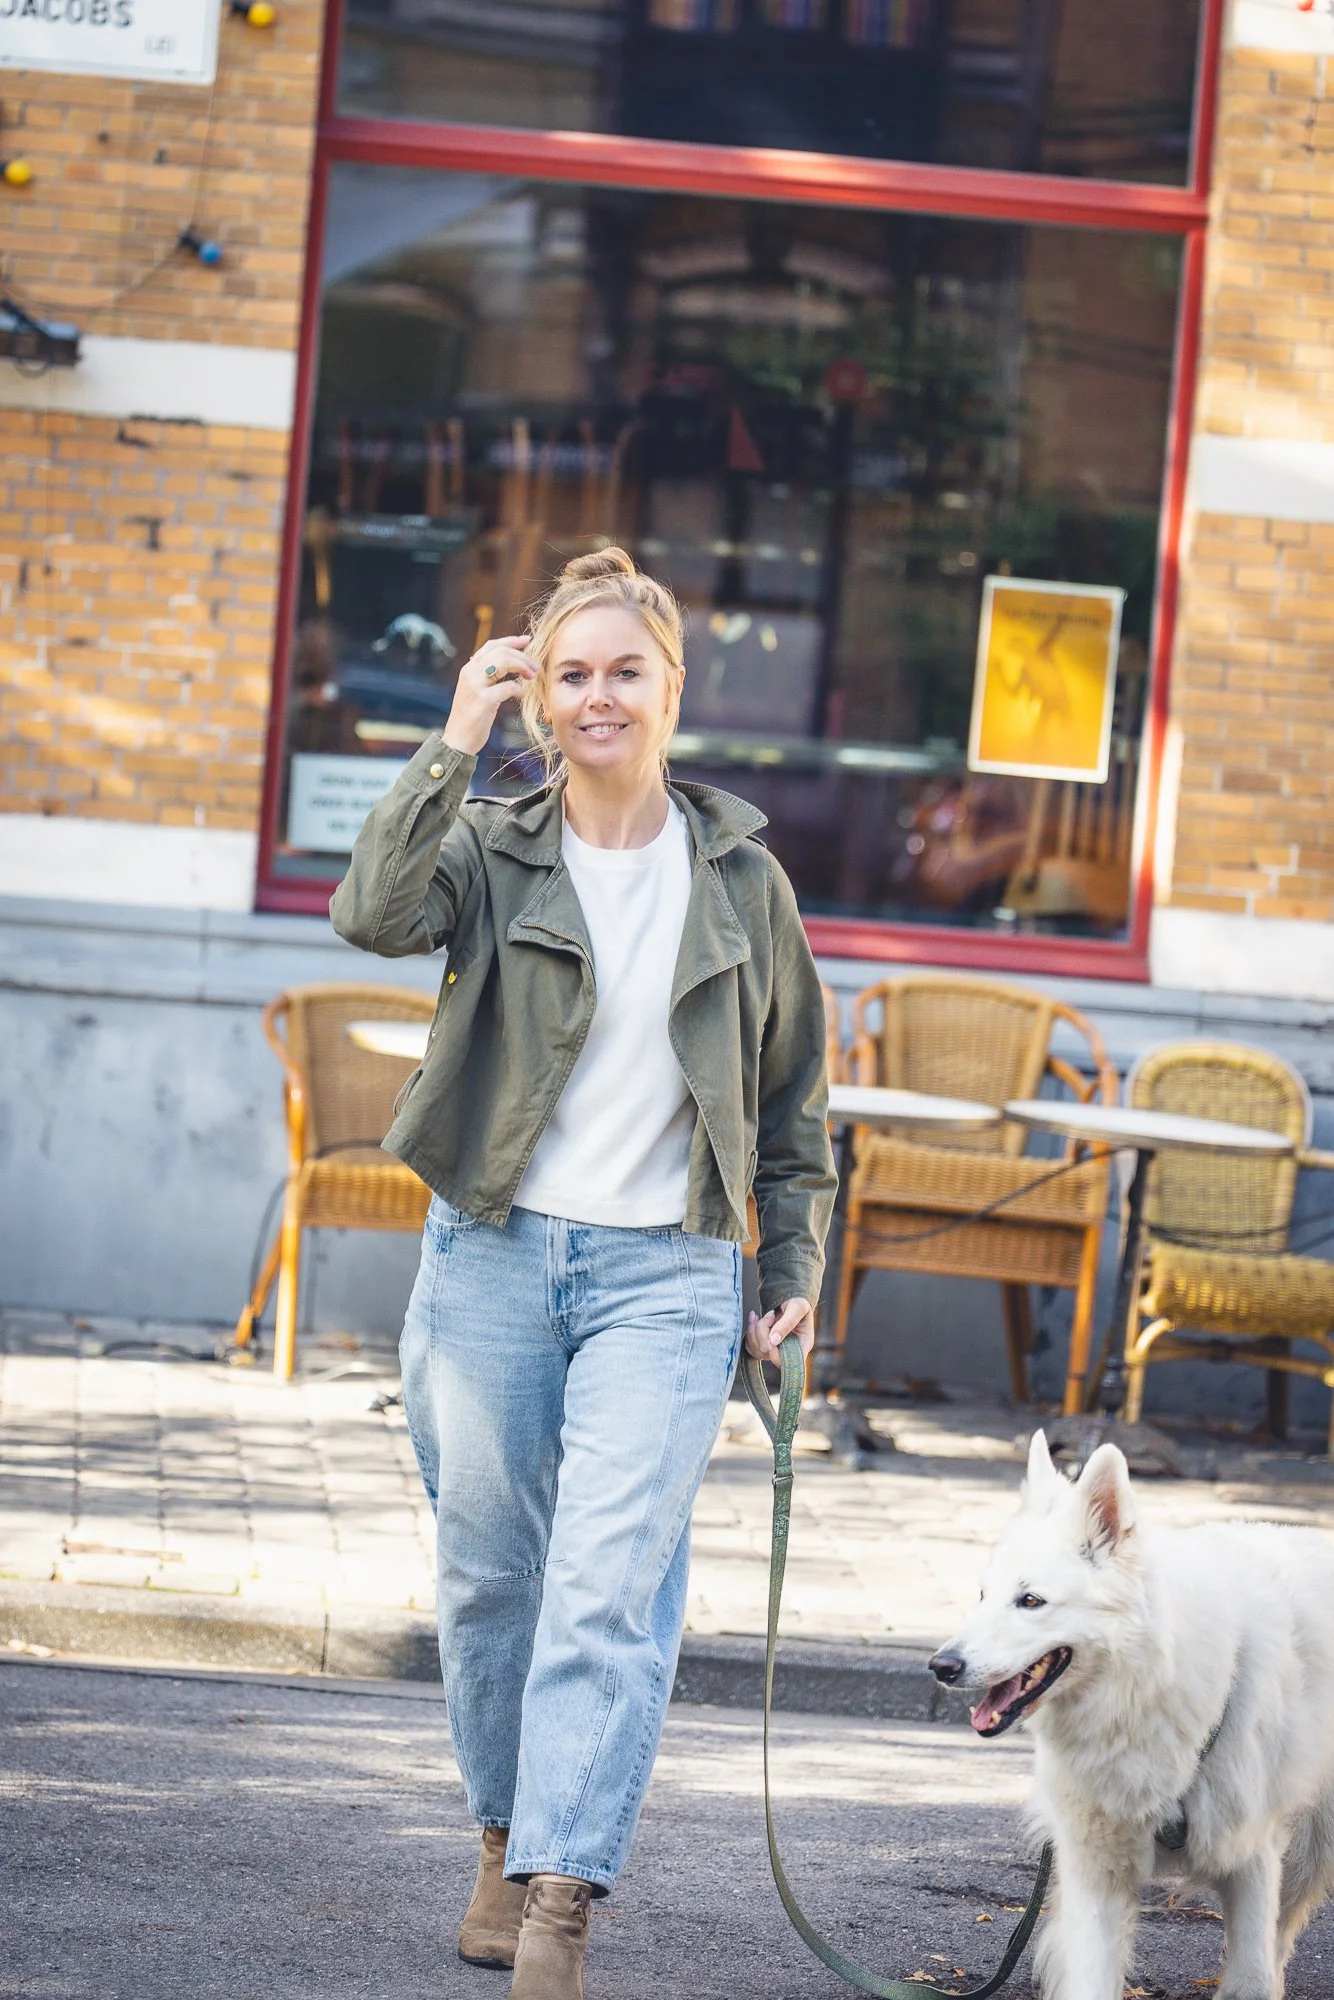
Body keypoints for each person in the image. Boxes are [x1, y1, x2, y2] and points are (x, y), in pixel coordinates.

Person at [330, 548, 836, 1999]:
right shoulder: (492, 844)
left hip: (668, 1277)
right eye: (569, 673)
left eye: (625, 669)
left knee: (609, 1588)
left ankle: (560, 1897)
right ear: (537, 698)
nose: (598, 694)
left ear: (673, 687)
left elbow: (795, 1099)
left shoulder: (742, 877)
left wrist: (788, 1256)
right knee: (491, 1581)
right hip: (491, 1253)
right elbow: (370, 916)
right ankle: (502, 1834)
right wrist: (452, 741)